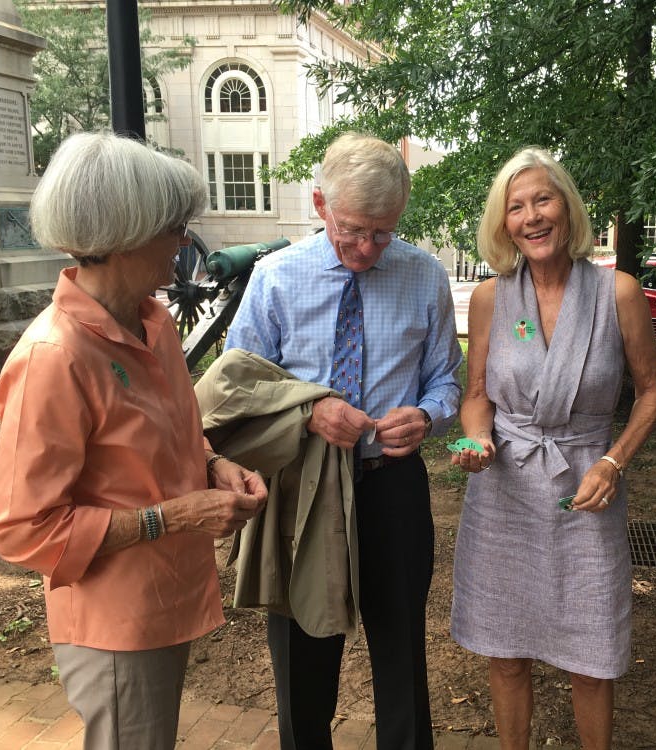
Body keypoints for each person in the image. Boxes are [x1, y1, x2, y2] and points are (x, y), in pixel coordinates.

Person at [0, 131, 268, 750]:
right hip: (114, 624)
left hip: (162, 598)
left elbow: (169, 432)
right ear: (123, 234)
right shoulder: (55, 357)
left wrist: (213, 464)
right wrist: (174, 517)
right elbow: (22, 528)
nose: (185, 243)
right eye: (175, 227)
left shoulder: (152, 322)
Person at [224, 131, 463, 750]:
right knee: (302, 652)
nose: (365, 248)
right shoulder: (275, 278)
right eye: (353, 229)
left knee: (401, 649)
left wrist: (428, 414)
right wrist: (309, 415)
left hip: (392, 485)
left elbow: (446, 379)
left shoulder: (424, 275)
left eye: (383, 233)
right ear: (320, 204)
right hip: (302, 485)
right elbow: (237, 386)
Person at [449, 147, 656, 749]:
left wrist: (614, 460)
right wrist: (477, 438)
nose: (532, 216)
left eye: (543, 200)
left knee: (591, 657)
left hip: (586, 489)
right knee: (506, 652)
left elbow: (652, 389)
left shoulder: (618, 292)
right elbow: (477, 395)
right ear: (503, 223)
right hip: (505, 492)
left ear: (567, 208)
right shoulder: (492, 298)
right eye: (516, 207)